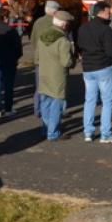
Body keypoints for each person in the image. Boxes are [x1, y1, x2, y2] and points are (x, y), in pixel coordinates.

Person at [77, 2, 112, 143]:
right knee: (107, 101)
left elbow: (80, 47)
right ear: (101, 12)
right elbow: (110, 52)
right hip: (103, 67)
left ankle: (88, 132)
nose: (110, 14)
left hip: (87, 68)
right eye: (108, 12)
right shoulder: (107, 30)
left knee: (90, 100)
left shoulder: (83, 28)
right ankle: (105, 133)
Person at [35, 11, 74, 141]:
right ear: (64, 24)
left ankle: (45, 129)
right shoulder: (63, 40)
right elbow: (66, 62)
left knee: (45, 103)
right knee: (56, 106)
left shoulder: (42, 36)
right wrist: (73, 57)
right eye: (68, 23)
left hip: (44, 73)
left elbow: (37, 58)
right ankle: (53, 133)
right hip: (57, 77)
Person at [31, 0, 61, 117]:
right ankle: (52, 111)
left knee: (39, 86)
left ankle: (37, 109)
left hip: (39, 59)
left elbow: (33, 39)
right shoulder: (56, 23)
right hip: (53, 60)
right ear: (55, 11)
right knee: (54, 87)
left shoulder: (38, 21)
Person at [0, 8, 22, 118]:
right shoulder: (11, 31)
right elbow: (18, 49)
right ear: (5, 18)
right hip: (9, 61)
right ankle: (8, 109)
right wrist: (16, 57)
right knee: (8, 86)